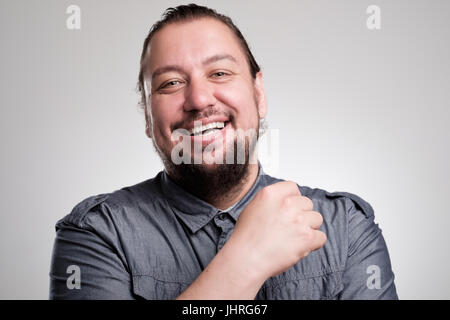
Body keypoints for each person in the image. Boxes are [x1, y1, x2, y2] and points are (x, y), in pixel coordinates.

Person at [49, 3, 398, 300]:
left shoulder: (346, 228)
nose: (199, 99)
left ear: (259, 95)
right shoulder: (96, 233)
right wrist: (246, 259)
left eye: (219, 72)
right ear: (147, 116)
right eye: (171, 83)